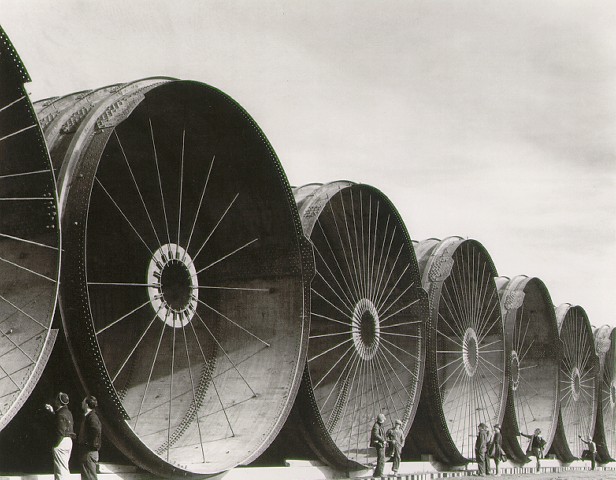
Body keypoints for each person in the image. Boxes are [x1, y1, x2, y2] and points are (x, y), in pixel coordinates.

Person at [45, 392, 76, 480]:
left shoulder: (60, 414)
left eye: (56, 399)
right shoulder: (67, 412)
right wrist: (52, 412)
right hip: (68, 441)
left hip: (61, 442)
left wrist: (55, 445)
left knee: (60, 471)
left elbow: (60, 431)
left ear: (58, 401)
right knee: (64, 468)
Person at [79, 396, 102, 480]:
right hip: (87, 451)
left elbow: (96, 430)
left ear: (86, 404)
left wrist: (89, 443)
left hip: (89, 452)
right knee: (87, 476)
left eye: (83, 402)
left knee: (90, 476)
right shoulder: (89, 416)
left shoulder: (92, 417)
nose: (82, 403)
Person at [370, 413, 386, 477]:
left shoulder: (378, 425)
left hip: (380, 444)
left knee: (380, 458)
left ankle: (376, 473)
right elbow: (375, 434)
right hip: (379, 444)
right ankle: (380, 473)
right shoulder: (376, 426)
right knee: (381, 459)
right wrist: (382, 440)